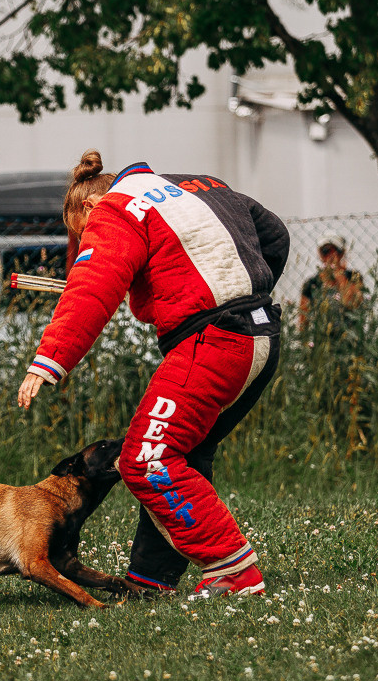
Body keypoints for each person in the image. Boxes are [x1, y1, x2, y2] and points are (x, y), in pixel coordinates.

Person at [17, 151, 290, 600]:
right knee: (182, 451)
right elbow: (274, 234)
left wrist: (48, 361)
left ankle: (233, 572)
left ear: (88, 208)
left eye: (81, 237)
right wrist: (251, 286)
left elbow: (91, 286)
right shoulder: (200, 183)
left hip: (214, 341)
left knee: (146, 458)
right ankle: (150, 578)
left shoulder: (113, 209)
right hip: (262, 332)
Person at [298, 236, 364, 319]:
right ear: (320, 254)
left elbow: (352, 304)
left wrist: (338, 274)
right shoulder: (311, 284)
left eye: (337, 251)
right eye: (326, 251)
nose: (332, 255)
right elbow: (303, 319)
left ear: (342, 253)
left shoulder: (353, 277)